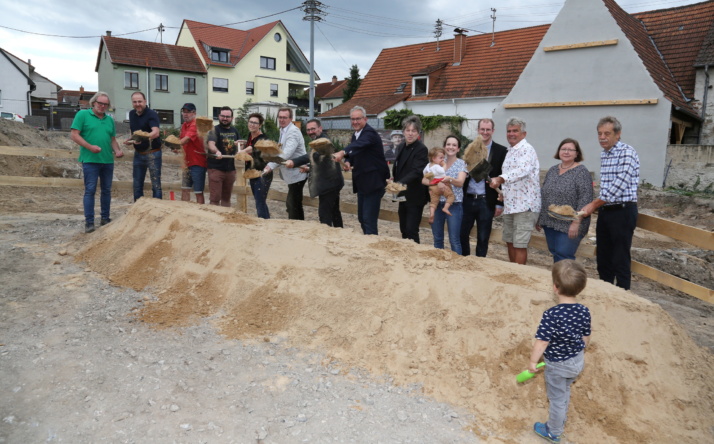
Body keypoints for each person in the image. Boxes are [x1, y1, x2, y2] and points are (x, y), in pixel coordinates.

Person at [528, 259, 591, 443]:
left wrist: (533, 361)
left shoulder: (552, 314)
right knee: (564, 390)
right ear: (581, 287)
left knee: (556, 399)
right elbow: (586, 337)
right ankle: (562, 412)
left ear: (555, 287)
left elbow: (541, 343)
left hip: (557, 365)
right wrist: (580, 349)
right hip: (576, 361)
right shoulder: (584, 311)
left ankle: (553, 431)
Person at [580, 116, 640, 290]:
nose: (602, 137)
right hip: (606, 211)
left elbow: (619, 185)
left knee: (620, 256)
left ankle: (622, 294)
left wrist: (594, 204)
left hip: (622, 211)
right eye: (599, 133)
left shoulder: (627, 152)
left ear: (618, 134)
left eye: (607, 133)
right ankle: (607, 292)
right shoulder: (604, 154)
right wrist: (598, 204)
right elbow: (606, 187)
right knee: (604, 255)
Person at [70, 91, 124, 233]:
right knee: (90, 191)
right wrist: (90, 147)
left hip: (107, 160)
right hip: (90, 160)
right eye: (100, 103)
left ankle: (105, 218)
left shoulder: (109, 120)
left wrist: (117, 151)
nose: (102, 106)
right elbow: (74, 135)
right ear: (93, 102)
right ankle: (89, 222)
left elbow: (112, 140)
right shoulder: (82, 115)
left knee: (106, 190)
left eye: (105, 104)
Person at [489, 117, 541, 265]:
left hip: (525, 207)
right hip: (511, 205)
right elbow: (514, 180)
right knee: (510, 241)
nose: (511, 134)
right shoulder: (510, 151)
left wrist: (500, 179)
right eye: (509, 131)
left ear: (523, 134)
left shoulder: (527, 150)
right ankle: (513, 273)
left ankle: (520, 275)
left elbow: (522, 171)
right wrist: (503, 193)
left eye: (515, 131)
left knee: (520, 244)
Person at [332, 106, 390, 235]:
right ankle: (367, 243)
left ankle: (372, 245)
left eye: (358, 119)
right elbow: (355, 152)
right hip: (362, 183)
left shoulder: (369, 133)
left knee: (369, 219)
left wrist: (342, 152)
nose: (355, 122)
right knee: (362, 218)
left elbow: (359, 145)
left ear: (365, 119)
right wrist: (348, 161)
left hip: (374, 183)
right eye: (352, 119)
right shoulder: (356, 134)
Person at [537, 138, 593, 262]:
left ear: (577, 153)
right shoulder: (552, 170)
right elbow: (544, 194)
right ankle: (558, 280)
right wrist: (540, 218)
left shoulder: (581, 172)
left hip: (570, 223)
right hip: (550, 221)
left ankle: (565, 280)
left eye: (570, 150)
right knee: (555, 253)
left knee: (564, 255)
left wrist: (576, 222)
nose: (566, 152)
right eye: (563, 149)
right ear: (559, 151)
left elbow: (586, 198)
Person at [460, 119, 507, 257]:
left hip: (486, 201)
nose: (485, 132)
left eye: (488, 129)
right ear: (478, 130)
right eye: (482, 129)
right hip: (467, 199)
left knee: (483, 237)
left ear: (493, 131)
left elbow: (503, 177)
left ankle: (480, 263)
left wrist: (500, 203)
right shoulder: (470, 148)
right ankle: (465, 260)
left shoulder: (501, 151)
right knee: (462, 234)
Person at [286, 119, 344, 227]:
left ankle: (329, 236)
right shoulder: (319, 140)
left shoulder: (323, 142)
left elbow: (310, 155)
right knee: (334, 211)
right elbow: (322, 160)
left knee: (324, 214)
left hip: (329, 184)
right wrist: (309, 168)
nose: (310, 132)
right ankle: (339, 233)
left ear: (320, 128)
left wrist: (294, 161)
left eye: (313, 129)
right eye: (308, 130)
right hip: (332, 182)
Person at [424, 136, 468, 254]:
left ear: (458, 149)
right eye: (448, 144)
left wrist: (449, 180)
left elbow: (460, 182)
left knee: (454, 240)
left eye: (454, 145)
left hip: (454, 205)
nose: (451, 147)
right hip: (437, 204)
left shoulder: (462, 163)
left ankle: (457, 266)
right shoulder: (434, 163)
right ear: (444, 147)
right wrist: (437, 183)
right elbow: (424, 181)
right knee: (437, 239)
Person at [264, 107, 308, 220]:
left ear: (290, 118)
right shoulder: (283, 129)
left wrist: (270, 165)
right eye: (280, 117)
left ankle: (297, 226)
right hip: (292, 173)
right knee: (292, 204)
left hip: (298, 172)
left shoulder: (293, 131)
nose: (282, 120)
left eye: (284, 117)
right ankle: (296, 224)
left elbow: (286, 154)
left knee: (293, 204)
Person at [392, 115, 429, 243]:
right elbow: (399, 167)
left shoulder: (422, 149)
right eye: (408, 130)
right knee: (403, 228)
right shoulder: (401, 147)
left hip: (415, 196)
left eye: (413, 131)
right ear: (403, 132)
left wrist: (399, 183)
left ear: (418, 133)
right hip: (402, 195)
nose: (410, 133)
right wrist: (394, 180)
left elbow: (417, 171)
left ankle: (415, 257)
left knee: (411, 230)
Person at [124, 91, 161, 201]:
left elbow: (156, 132)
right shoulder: (132, 114)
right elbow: (135, 133)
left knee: (156, 185)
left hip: (153, 153)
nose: (137, 104)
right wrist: (131, 140)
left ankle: (157, 210)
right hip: (138, 154)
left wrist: (142, 138)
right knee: (137, 184)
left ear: (145, 101)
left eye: (140, 101)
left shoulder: (152, 114)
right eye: (135, 102)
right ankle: (138, 210)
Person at [206, 106, 240, 207]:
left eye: (227, 116)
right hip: (216, 169)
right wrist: (217, 151)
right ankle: (213, 220)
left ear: (232, 118)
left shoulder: (235, 131)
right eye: (222, 116)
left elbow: (239, 146)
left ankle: (225, 221)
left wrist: (240, 146)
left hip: (230, 170)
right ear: (219, 116)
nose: (225, 118)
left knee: (226, 198)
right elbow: (211, 144)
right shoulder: (214, 130)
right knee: (215, 199)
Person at [239, 112, 271, 218]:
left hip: (262, 173)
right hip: (253, 173)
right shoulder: (250, 135)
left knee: (260, 201)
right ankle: (266, 222)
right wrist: (243, 143)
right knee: (259, 200)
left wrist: (242, 151)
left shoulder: (263, 138)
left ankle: (263, 222)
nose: (252, 124)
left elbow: (254, 147)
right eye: (250, 122)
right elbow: (251, 145)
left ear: (260, 125)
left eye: (255, 123)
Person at [173, 103, 206, 204]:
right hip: (186, 163)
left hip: (197, 162)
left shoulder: (196, 124)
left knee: (198, 192)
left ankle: (200, 212)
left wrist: (174, 143)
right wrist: (176, 148)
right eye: (184, 112)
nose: (185, 114)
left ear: (194, 113)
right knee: (185, 188)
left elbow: (186, 139)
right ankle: (184, 212)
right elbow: (182, 141)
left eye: (188, 112)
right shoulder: (184, 125)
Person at [423, 147, 454, 218]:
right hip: (441, 184)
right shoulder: (436, 166)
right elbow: (442, 171)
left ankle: (432, 214)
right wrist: (444, 165)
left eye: (443, 157)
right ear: (434, 158)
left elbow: (424, 172)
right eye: (441, 158)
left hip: (432, 187)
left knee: (434, 201)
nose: (443, 159)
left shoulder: (428, 165)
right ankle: (446, 208)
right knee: (450, 196)